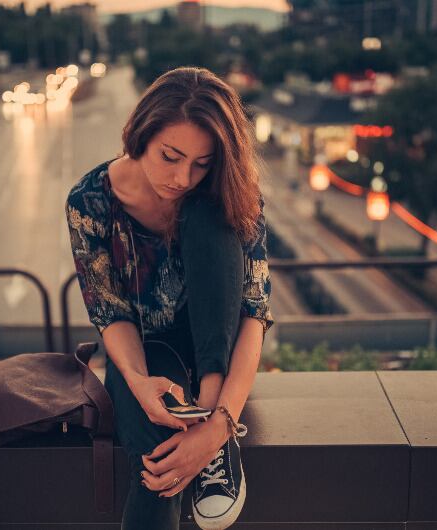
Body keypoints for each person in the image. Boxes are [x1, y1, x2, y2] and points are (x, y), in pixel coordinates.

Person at [65, 66, 273, 529]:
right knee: (158, 472)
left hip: (220, 356)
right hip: (144, 357)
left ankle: (217, 440)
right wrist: (138, 382)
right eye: (170, 156)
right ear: (141, 134)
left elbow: (253, 314)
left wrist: (217, 423)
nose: (183, 177)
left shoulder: (232, 195)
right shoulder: (90, 202)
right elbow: (110, 312)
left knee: (209, 215)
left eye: (202, 164)